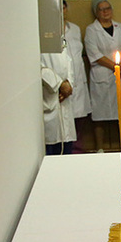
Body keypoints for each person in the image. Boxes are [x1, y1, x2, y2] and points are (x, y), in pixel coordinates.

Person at [84, 0, 121, 152]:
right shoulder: (92, 30)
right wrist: (115, 66)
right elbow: (94, 54)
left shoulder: (120, 27)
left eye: (108, 8)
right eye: (101, 9)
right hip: (102, 76)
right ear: (96, 12)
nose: (105, 12)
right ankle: (100, 149)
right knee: (100, 115)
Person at [41, 26, 77, 155]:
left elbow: (69, 64)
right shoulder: (35, 39)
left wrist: (68, 85)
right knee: (50, 146)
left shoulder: (60, 39)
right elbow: (38, 67)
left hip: (64, 98)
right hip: (49, 96)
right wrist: (59, 84)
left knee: (66, 144)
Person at [61, 0, 92, 152]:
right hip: (63, 80)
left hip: (79, 78)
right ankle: (69, 150)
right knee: (66, 119)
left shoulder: (75, 29)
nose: (62, 11)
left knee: (80, 117)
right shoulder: (50, 31)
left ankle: (77, 149)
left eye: (64, 7)